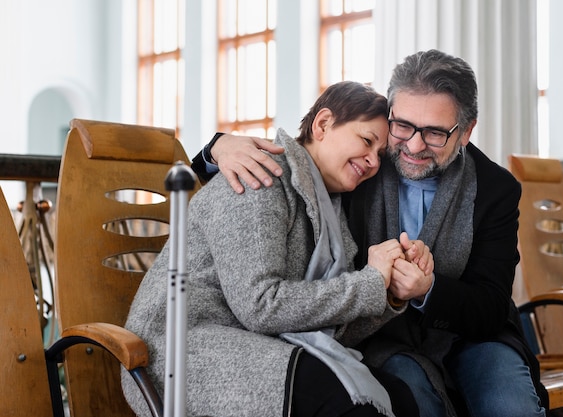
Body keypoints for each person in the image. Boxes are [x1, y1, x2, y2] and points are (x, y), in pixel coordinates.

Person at [195, 50, 549, 417]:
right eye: (403, 126)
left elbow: (491, 305)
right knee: (415, 400)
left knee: (511, 407)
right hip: (380, 338)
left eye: (435, 133)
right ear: (390, 115)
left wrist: (429, 291)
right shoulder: (363, 165)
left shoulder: (495, 188)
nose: (413, 145)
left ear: (465, 132)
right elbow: (298, 159)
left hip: (472, 336)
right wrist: (217, 147)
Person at [122, 81, 429, 417]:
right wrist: (368, 282)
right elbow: (260, 305)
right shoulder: (260, 176)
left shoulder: (333, 217)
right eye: (366, 141)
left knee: (398, 396)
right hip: (181, 351)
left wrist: (388, 293)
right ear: (323, 124)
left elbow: (326, 327)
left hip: (251, 344)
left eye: (379, 155)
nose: (372, 161)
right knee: (343, 400)